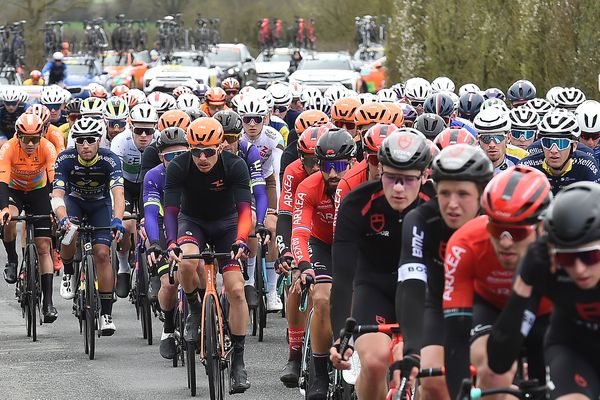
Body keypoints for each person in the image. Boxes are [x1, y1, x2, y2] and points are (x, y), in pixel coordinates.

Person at [329, 129, 431, 400]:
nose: (398, 188)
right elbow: (342, 278)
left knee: (431, 373)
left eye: (408, 180)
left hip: (424, 289)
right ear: (379, 170)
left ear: (425, 176)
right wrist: (341, 336)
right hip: (374, 286)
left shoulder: (438, 204)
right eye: (391, 178)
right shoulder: (356, 203)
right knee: (374, 364)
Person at [442, 165, 553, 399]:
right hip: (490, 306)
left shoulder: (564, 251)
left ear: (541, 228)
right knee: (492, 373)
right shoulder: (465, 242)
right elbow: (456, 335)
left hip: (547, 313)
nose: (505, 242)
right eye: (496, 229)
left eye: (518, 233)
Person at [395, 145, 493, 400]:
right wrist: (413, 350)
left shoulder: (498, 221)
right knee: (432, 380)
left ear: (482, 193)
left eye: (463, 194)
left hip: (490, 307)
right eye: (444, 193)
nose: (452, 204)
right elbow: (412, 285)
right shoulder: (420, 219)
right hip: (439, 306)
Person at [488, 181, 600, 400]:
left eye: (590, 256)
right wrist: (524, 282)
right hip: (573, 349)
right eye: (566, 257)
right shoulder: (541, 261)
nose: (579, 269)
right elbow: (498, 362)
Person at [164, 117, 252, 393]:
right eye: (196, 152)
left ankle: (238, 360)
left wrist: (240, 239)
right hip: (193, 223)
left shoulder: (235, 165)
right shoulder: (179, 166)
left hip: (227, 225)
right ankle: (193, 309)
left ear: (220, 147)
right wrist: (170, 242)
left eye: (209, 152)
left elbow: (245, 210)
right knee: (187, 263)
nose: (202, 158)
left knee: (237, 290)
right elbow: (170, 210)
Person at [293, 128, 356, 399]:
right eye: (327, 166)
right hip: (321, 246)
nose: (333, 174)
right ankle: (319, 373)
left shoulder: (358, 185)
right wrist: (303, 263)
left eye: (340, 166)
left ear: (352, 163)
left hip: (353, 246)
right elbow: (299, 231)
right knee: (321, 298)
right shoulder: (308, 187)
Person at [53, 117, 126, 336]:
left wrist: (118, 219)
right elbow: (57, 195)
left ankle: (106, 314)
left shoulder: (110, 160)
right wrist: (63, 217)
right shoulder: (65, 159)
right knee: (70, 232)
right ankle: (68, 272)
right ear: (74, 142)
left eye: (90, 140)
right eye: (80, 140)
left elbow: (118, 194)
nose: (85, 145)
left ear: (99, 141)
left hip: (99, 205)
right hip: (74, 203)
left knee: (102, 254)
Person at [276, 125, 326, 387]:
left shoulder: (343, 174)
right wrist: (286, 252)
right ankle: (295, 355)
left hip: (334, 232)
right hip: (305, 227)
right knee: (296, 280)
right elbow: (286, 217)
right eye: (310, 162)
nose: (317, 169)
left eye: (321, 162)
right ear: (301, 159)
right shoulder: (295, 172)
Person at [0, 114, 58, 322]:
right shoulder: (8, 148)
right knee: (9, 219)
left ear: (42, 134)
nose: (31, 143)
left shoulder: (47, 147)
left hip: (39, 191)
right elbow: (2, 182)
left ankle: (48, 303)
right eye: (26, 139)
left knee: (43, 247)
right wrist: (3, 209)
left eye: (35, 138)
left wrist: (54, 207)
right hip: (14, 191)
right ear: (18, 136)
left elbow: (54, 181)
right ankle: (13, 260)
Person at [214, 109, 268, 309]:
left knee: (252, 220)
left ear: (238, 137)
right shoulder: (207, 153)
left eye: (230, 138)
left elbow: (260, 193)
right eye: (221, 138)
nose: (225, 144)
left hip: (243, 197)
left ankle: (250, 281)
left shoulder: (248, 151)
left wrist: (260, 222)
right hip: (214, 201)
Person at [143, 126, 188, 360]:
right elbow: (150, 213)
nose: (177, 160)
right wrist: (154, 243)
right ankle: (169, 328)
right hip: (162, 226)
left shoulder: (197, 171)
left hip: (191, 225)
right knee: (169, 283)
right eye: (171, 156)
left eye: (182, 154)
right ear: (161, 157)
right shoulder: (153, 176)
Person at [239, 96, 285, 311]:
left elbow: (276, 173)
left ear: (265, 118)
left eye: (257, 119)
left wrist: (279, 206)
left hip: (266, 182)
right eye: (247, 119)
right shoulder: (235, 139)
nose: (252, 125)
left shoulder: (272, 137)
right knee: (248, 225)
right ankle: (248, 280)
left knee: (272, 227)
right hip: (241, 184)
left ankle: (273, 292)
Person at [110, 103, 159, 298]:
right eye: (139, 130)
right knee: (127, 223)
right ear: (131, 127)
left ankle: (153, 268)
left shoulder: (158, 143)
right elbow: (115, 178)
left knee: (151, 224)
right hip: (126, 186)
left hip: (150, 187)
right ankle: (123, 267)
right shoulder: (120, 142)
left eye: (149, 130)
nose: (144, 136)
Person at [519, 109, 600, 195]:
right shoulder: (527, 166)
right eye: (548, 143)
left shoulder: (587, 165)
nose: (554, 150)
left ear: (574, 146)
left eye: (561, 144)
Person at [474, 107, 528, 173]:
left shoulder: (521, 158)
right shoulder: (468, 160)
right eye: (486, 138)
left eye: (498, 138)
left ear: (508, 138)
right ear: (477, 139)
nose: (492, 145)